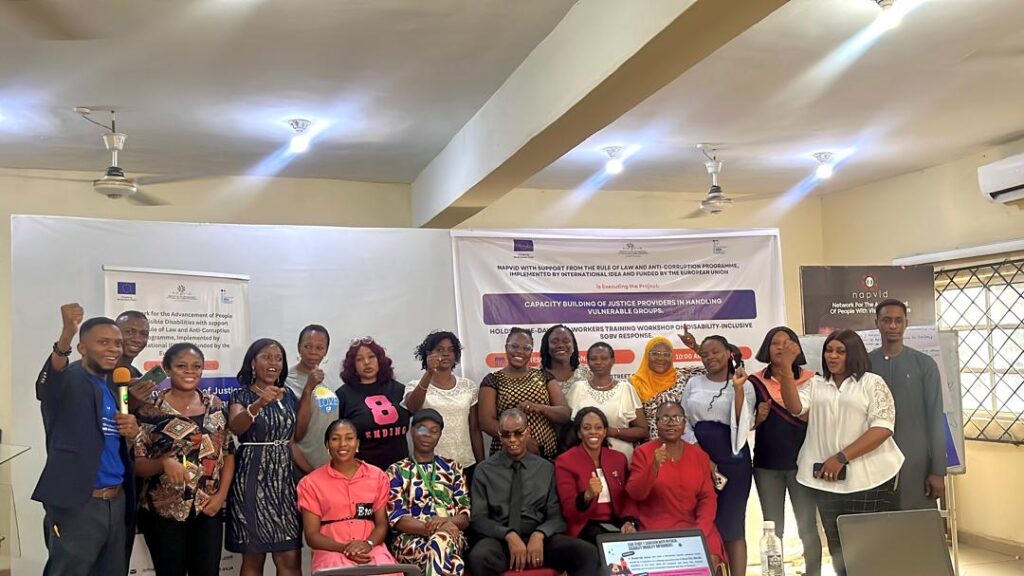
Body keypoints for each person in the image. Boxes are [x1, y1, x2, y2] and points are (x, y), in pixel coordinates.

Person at [778, 330, 905, 576]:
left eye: (840, 351)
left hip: (870, 479)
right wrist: (785, 369)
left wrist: (841, 458)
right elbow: (795, 407)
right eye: (829, 350)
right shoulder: (816, 384)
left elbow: (883, 428)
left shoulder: (872, 382)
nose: (832, 356)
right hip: (827, 480)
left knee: (867, 549)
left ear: (853, 354)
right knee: (838, 548)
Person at [34, 303, 141, 576]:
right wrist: (67, 334)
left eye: (117, 343)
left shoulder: (112, 386)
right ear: (82, 348)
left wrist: (131, 431)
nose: (113, 349)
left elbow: (107, 443)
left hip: (115, 502)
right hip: (78, 505)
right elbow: (48, 382)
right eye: (103, 342)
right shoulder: (69, 380)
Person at [134, 343, 235, 576]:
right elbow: (138, 464)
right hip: (164, 512)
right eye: (181, 366)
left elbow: (228, 454)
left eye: (196, 366)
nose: (190, 371)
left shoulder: (215, 406)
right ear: (167, 370)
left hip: (207, 508)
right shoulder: (150, 409)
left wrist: (220, 497)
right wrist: (162, 464)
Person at [468, 408, 600, 576]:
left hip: (539, 539)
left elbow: (557, 517)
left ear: (528, 432)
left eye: (518, 433)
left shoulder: (546, 468)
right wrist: (509, 535)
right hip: (500, 540)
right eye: (506, 435)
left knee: (587, 553)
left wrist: (540, 534)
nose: (512, 440)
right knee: (479, 556)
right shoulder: (484, 470)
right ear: (499, 435)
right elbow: (479, 519)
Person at [748, 327, 821, 576]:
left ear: (797, 348)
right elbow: (743, 423)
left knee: (807, 525)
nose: (781, 347)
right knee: (772, 527)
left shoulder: (813, 379)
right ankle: (774, 572)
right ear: (767, 349)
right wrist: (757, 419)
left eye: (787, 342)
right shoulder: (754, 381)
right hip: (767, 465)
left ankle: (813, 572)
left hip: (803, 464)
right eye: (775, 343)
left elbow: (819, 419)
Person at [226, 338, 302, 576]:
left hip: (284, 484)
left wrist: (311, 471)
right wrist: (259, 403)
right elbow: (236, 427)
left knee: (290, 558)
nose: (273, 363)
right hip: (252, 480)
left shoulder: (288, 395)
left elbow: (293, 439)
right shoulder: (241, 395)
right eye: (266, 357)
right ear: (252, 363)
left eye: (278, 358)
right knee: (253, 558)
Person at [680, 335, 755, 573]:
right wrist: (702, 457)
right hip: (697, 457)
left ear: (728, 353)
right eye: (704, 354)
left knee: (733, 524)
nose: (710, 357)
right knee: (703, 521)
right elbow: (682, 421)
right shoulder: (693, 383)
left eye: (715, 352)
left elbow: (744, 422)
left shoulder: (744, 383)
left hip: (733, 460)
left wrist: (738, 389)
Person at [625, 402, 726, 567]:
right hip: (656, 526)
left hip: (695, 524)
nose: (671, 422)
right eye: (665, 418)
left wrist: (700, 530)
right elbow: (635, 494)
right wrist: (654, 468)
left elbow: (708, 498)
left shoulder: (699, 455)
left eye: (676, 418)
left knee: (710, 558)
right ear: (656, 424)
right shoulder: (643, 453)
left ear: (684, 424)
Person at [869, 298, 947, 510]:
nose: (892, 326)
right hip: (873, 460)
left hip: (916, 462)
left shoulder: (924, 365)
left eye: (897, 321)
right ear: (877, 323)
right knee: (879, 527)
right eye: (886, 320)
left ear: (906, 323)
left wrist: (938, 470)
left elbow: (935, 419)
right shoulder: (865, 365)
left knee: (916, 529)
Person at [297, 419, 398, 573]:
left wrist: (368, 544)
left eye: (349, 438)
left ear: (357, 444)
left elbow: (382, 524)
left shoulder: (377, 476)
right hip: (331, 551)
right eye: (335, 439)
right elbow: (312, 535)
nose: (343, 444)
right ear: (327, 445)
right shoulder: (310, 483)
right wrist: (345, 548)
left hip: (371, 549)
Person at [387, 409, 471, 576]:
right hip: (409, 541)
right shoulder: (396, 471)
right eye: (422, 429)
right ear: (412, 431)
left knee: (440, 543)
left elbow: (464, 516)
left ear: (440, 435)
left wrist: (445, 522)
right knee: (455, 563)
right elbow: (397, 519)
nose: (427, 435)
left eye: (434, 431)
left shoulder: (453, 468)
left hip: (451, 536)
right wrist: (435, 529)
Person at [478, 328, 570, 460]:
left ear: (531, 351)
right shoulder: (493, 380)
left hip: (545, 455)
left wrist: (539, 408)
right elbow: (486, 422)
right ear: (506, 347)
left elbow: (564, 414)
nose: (520, 351)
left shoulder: (544, 376)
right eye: (514, 346)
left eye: (526, 348)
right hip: (506, 457)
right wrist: (523, 441)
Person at [554, 407, 637, 543]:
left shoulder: (618, 458)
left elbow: (627, 499)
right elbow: (568, 510)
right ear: (579, 433)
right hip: (584, 525)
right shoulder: (565, 461)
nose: (593, 432)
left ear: (604, 432)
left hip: (615, 523)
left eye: (598, 428)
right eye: (587, 428)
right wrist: (587, 496)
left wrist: (628, 522)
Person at [403, 331, 483, 473]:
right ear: (428, 354)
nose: (445, 354)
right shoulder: (414, 385)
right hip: (429, 465)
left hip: (465, 463)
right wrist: (429, 373)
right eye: (439, 350)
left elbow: (475, 429)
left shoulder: (468, 386)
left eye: (451, 350)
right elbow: (413, 408)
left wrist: (481, 464)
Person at [336, 337, 411, 470]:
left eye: (371, 357)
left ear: (379, 360)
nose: (366, 362)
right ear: (352, 365)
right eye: (359, 359)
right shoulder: (343, 396)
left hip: (401, 472)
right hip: (363, 473)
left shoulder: (400, 390)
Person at [565, 342, 647, 461]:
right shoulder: (578, 388)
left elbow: (642, 431)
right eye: (594, 358)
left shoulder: (625, 388)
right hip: (584, 458)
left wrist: (611, 432)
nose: (599, 362)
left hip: (621, 458)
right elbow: (568, 428)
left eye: (604, 358)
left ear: (613, 360)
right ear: (587, 362)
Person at [629, 332, 705, 439]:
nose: (661, 358)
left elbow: (719, 366)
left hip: (683, 444)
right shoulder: (634, 384)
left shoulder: (683, 375)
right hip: (650, 448)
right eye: (655, 354)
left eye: (666, 354)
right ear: (647, 355)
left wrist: (696, 348)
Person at [287, 324, 340, 473]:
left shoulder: (329, 378)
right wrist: (308, 387)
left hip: (329, 462)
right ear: (299, 347)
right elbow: (293, 435)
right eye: (308, 346)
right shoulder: (286, 380)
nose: (313, 353)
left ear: (326, 351)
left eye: (319, 348)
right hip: (301, 464)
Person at [114, 310, 155, 409]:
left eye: (144, 334)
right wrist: (130, 401)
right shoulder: (96, 373)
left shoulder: (136, 374)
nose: (137, 339)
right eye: (129, 332)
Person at [541, 324, 592, 396]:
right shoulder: (535, 375)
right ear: (547, 346)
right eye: (555, 342)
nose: (561, 345)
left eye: (566, 341)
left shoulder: (587, 374)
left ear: (573, 345)